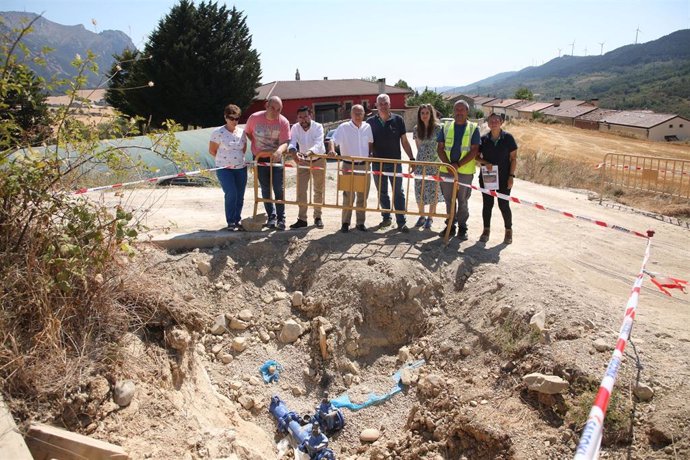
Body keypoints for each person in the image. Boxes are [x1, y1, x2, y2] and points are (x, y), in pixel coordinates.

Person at [367, 94, 415, 233]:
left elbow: (404, 141)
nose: (383, 105)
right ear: (376, 105)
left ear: (390, 104)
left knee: (398, 192)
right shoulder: (370, 122)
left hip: (395, 163)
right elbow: (368, 143)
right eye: (380, 103)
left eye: (385, 103)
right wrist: (368, 157)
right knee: (382, 192)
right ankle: (386, 218)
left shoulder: (398, 120)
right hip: (378, 163)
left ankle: (401, 221)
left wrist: (411, 158)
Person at [244, 96, 290, 231]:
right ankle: (271, 216)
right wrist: (257, 146)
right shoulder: (254, 118)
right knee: (265, 188)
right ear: (266, 105)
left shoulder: (283, 122)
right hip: (259, 159)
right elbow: (248, 133)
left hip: (275, 159)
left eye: (279, 109)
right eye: (273, 108)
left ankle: (281, 218)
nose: (275, 111)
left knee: (278, 188)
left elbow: (285, 142)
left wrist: (279, 151)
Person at [437, 100, 480, 240]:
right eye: (457, 109)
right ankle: (450, 226)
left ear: (467, 112)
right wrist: (449, 165)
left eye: (462, 110)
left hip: (464, 172)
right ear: (453, 111)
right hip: (447, 170)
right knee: (449, 200)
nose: (459, 112)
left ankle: (462, 227)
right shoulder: (446, 127)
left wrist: (458, 165)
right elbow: (440, 148)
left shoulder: (473, 128)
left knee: (462, 201)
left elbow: (474, 150)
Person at [328, 104, 373, 233]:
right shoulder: (343, 127)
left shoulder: (367, 127)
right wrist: (331, 150)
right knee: (348, 195)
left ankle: (360, 223)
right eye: (356, 113)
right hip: (348, 165)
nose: (358, 116)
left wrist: (370, 155)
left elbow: (370, 142)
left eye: (361, 113)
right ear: (351, 115)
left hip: (364, 165)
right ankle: (345, 223)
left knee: (362, 195)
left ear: (364, 114)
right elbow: (332, 140)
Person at [477, 112, 518, 244]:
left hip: (504, 178)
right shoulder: (483, 139)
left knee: (503, 205)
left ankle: (508, 231)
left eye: (496, 120)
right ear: (488, 123)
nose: (494, 122)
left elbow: (513, 158)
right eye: (491, 120)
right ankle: (486, 230)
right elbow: (476, 156)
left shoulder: (508, 138)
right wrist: (485, 163)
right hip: (487, 178)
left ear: (501, 122)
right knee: (487, 205)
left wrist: (511, 176)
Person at [209, 104, 247, 231]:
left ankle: (237, 220)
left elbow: (243, 149)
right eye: (231, 118)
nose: (234, 121)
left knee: (240, 195)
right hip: (224, 169)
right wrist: (226, 161)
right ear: (225, 117)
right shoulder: (217, 133)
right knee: (231, 193)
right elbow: (212, 150)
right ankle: (230, 221)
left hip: (241, 168)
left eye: (237, 118)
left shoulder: (242, 132)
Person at [288, 106, 326, 229]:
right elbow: (292, 142)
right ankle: (302, 219)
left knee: (318, 190)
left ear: (311, 115)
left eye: (305, 116)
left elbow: (319, 143)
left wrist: (309, 152)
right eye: (300, 117)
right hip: (303, 161)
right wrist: (293, 151)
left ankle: (318, 217)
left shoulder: (318, 127)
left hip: (318, 160)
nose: (303, 120)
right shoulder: (295, 127)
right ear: (297, 118)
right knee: (301, 190)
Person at [412, 104, 443, 230]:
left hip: (434, 164)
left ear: (431, 114)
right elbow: (418, 146)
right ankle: (422, 216)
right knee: (419, 190)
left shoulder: (438, 128)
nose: (424, 115)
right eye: (422, 113)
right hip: (420, 164)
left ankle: (430, 218)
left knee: (432, 191)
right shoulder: (416, 129)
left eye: (427, 113)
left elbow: (441, 146)